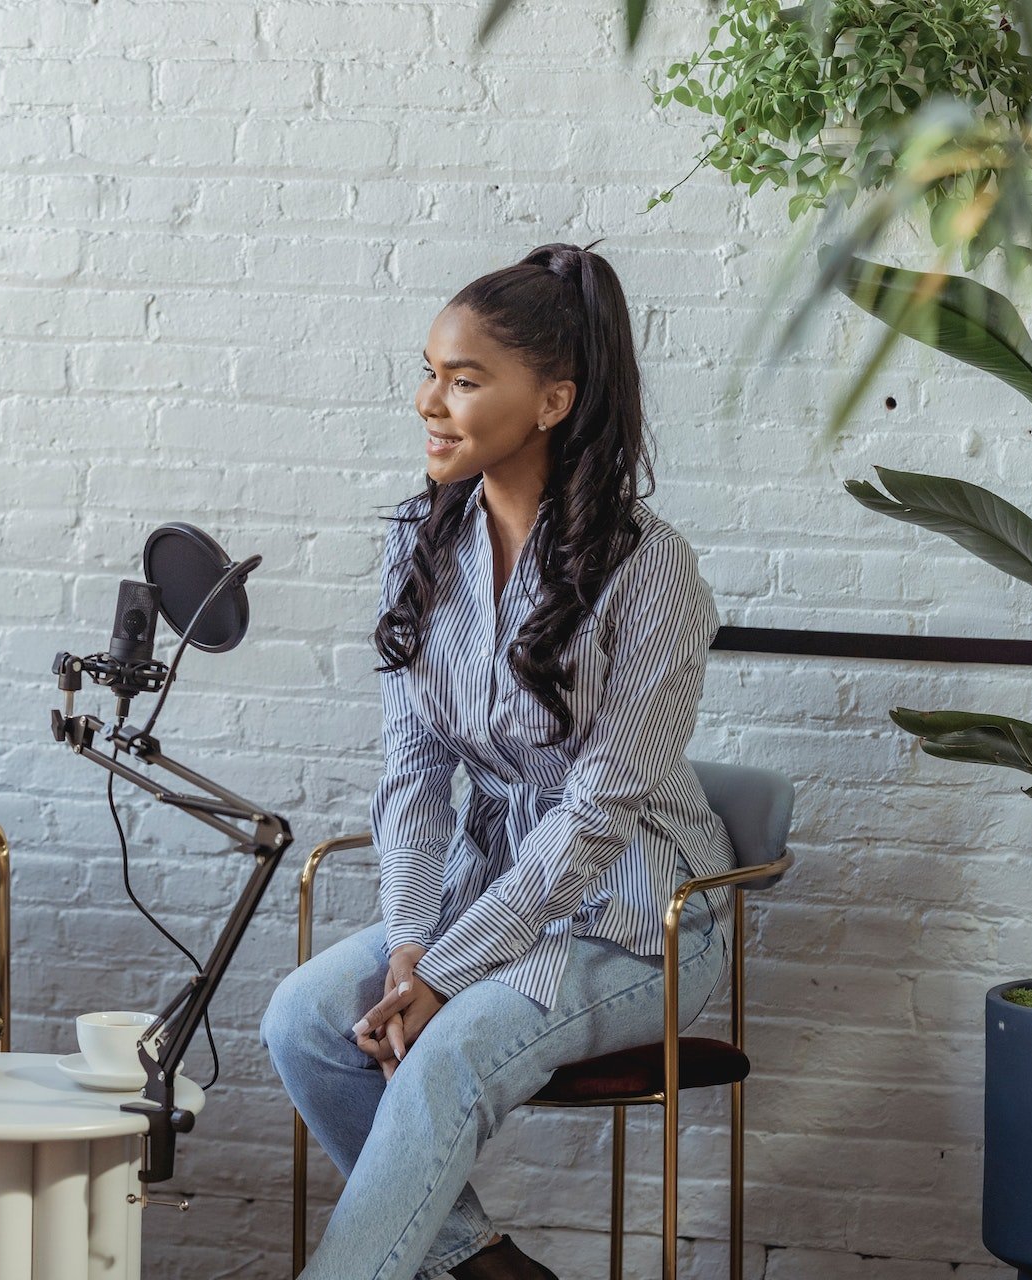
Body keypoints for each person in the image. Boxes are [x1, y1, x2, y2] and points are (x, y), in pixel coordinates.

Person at [262, 241, 735, 1280]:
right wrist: (408, 941)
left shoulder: (652, 570)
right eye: (429, 370)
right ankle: (483, 1267)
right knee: (304, 1018)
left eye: (465, 380)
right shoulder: (419, 539)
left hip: (637, 919)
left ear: (553, 400)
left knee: (445, 1053)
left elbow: (597, 813)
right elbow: (412, 771)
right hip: (489, 896)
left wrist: (442, 967)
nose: (430, 401)